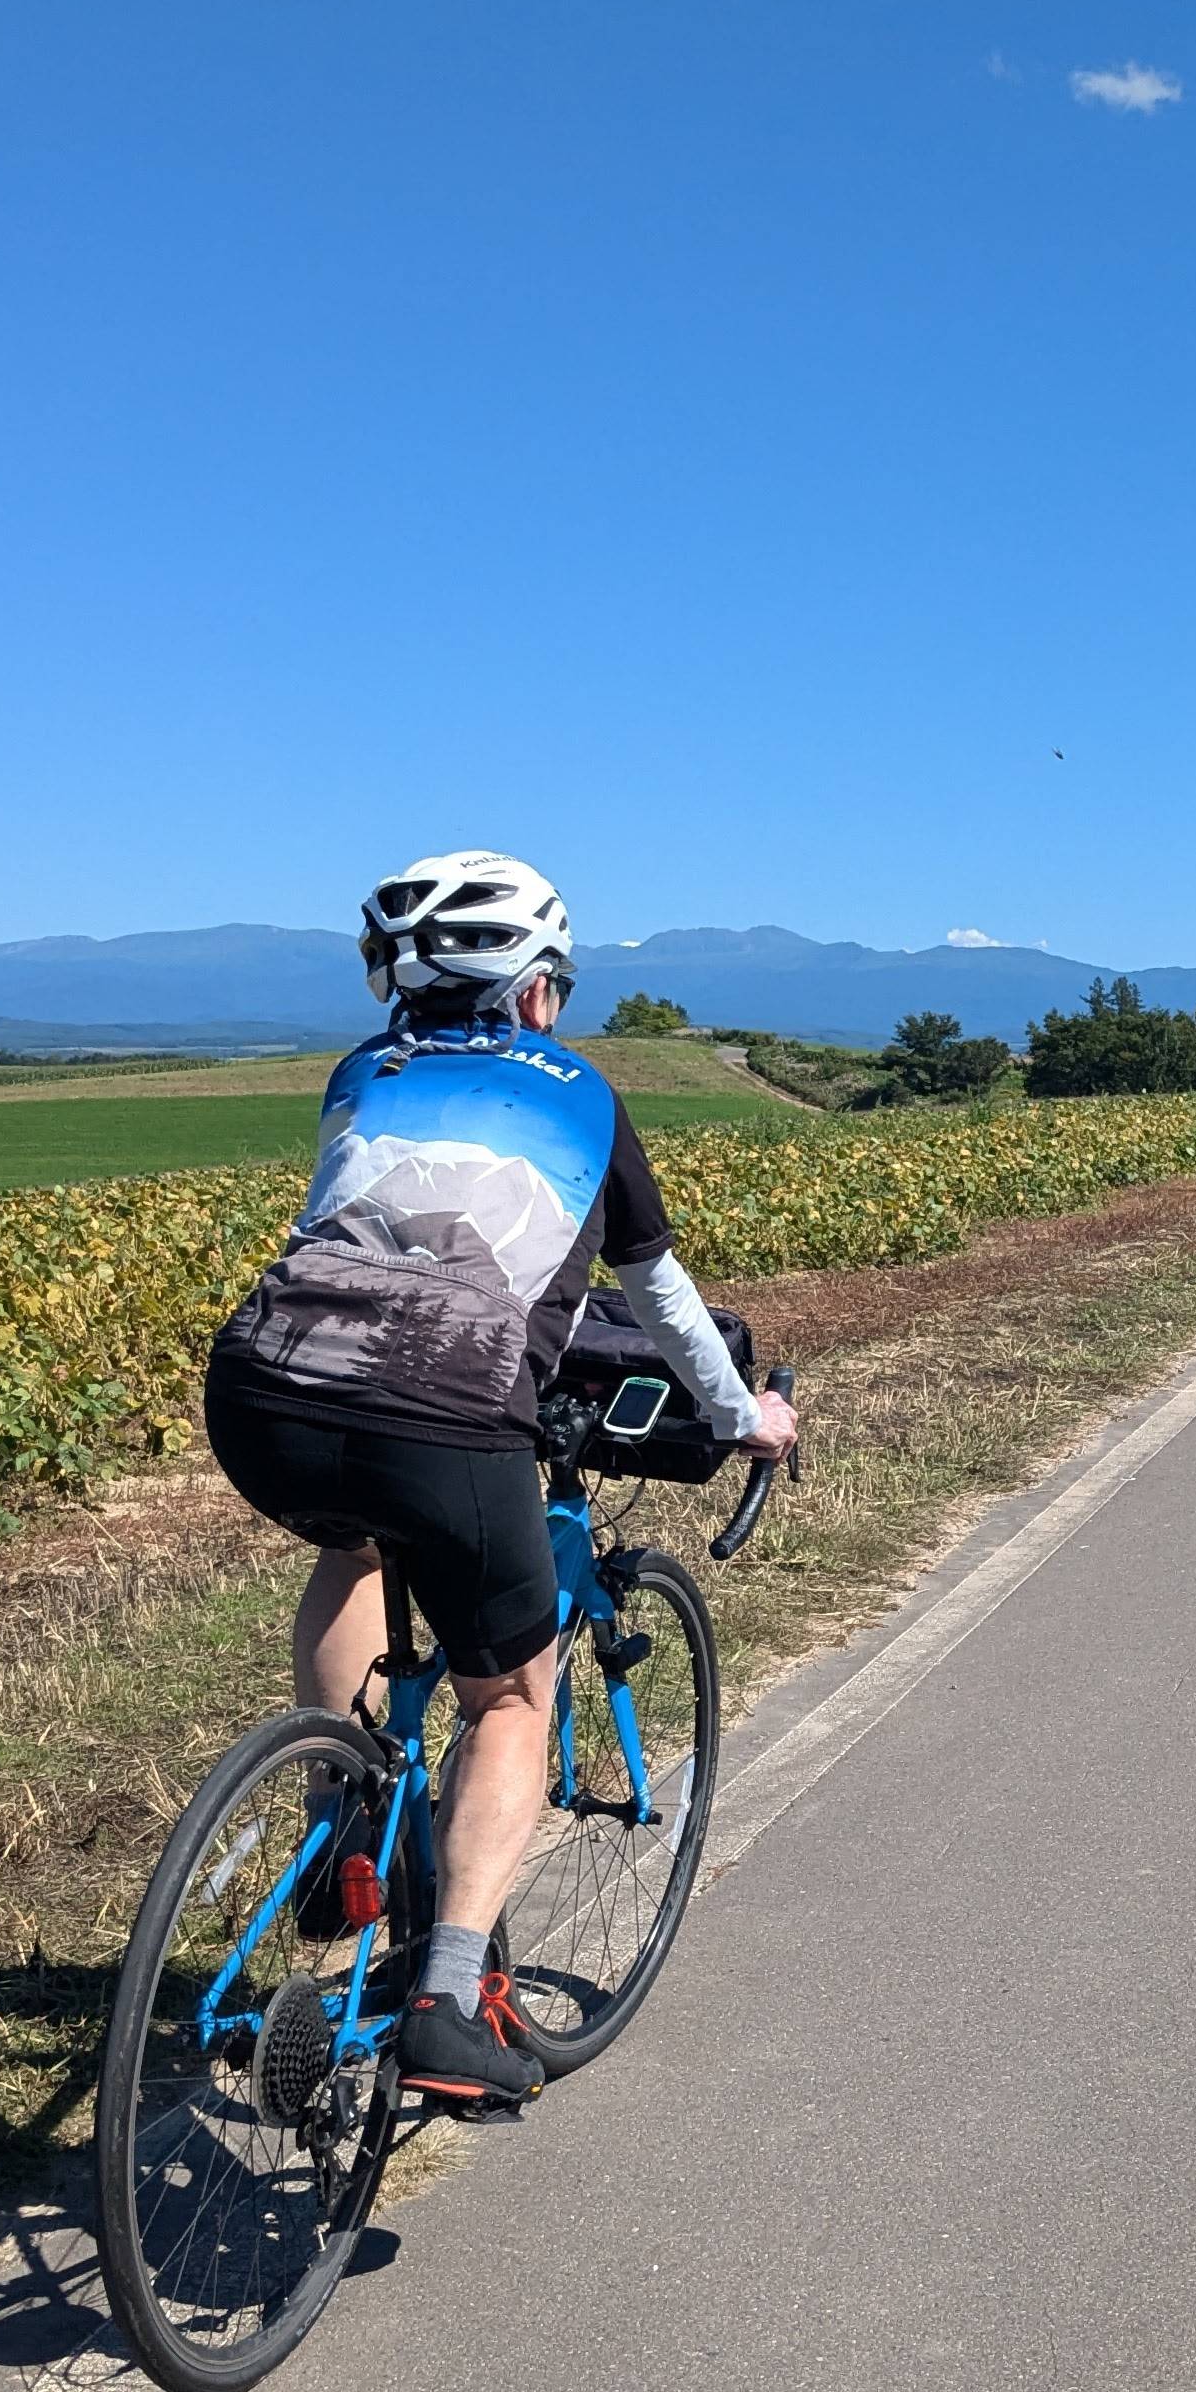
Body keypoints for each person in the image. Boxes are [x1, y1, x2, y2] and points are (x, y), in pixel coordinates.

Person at [202, 850, 797, 2107]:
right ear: (536, 992)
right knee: (509, 1702)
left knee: (356, 1543)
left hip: (261, 1388)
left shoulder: (362, 1071)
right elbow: (663, 1298)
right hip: (443, 1401)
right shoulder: (579, 1090)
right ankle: (447, 2000)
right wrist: (747, 1419)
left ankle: (340, 1807)